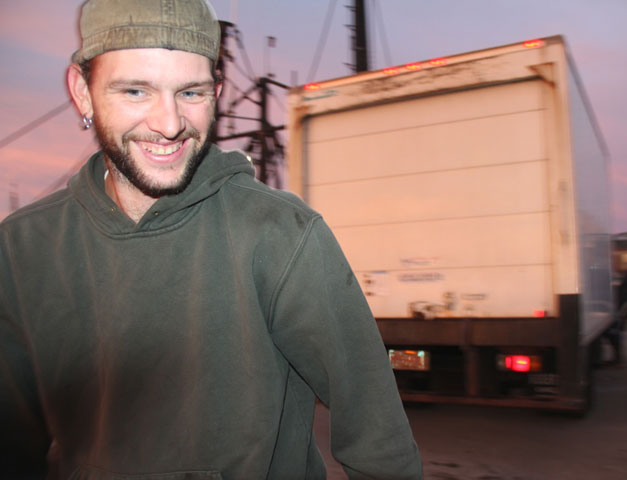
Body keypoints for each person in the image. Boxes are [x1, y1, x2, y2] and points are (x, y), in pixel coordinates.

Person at [0, 0, 422, 478]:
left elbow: (380, 445)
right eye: (136, 90)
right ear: (82, 91)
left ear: (217, 92)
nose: (169, 123)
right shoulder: (21, 250)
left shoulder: (282, 235)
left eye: (191, 93)